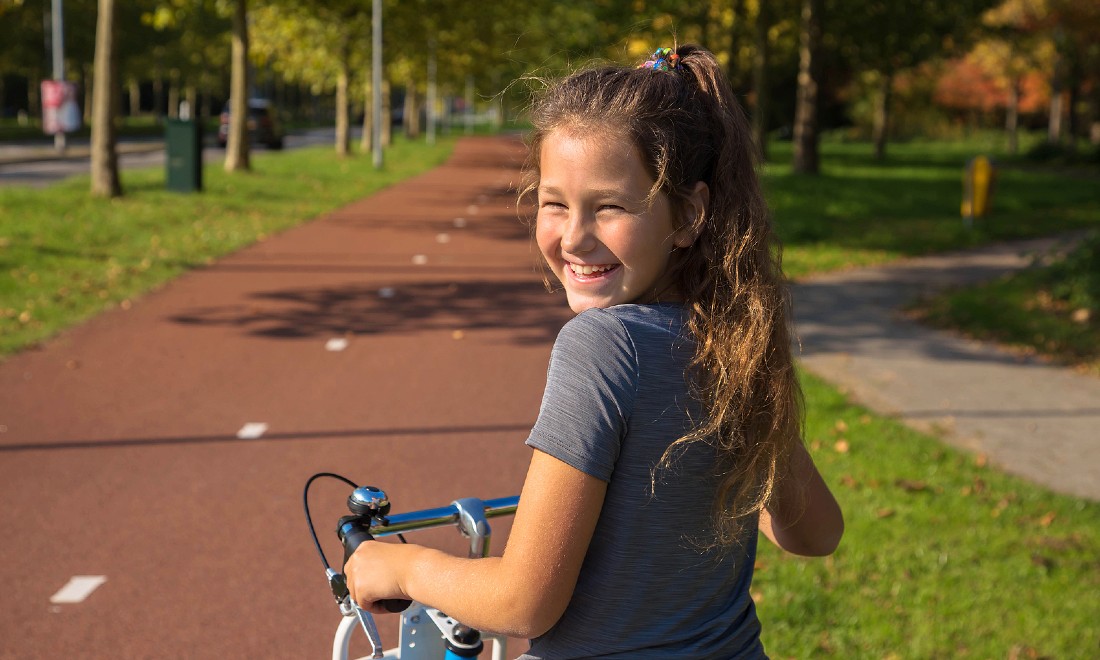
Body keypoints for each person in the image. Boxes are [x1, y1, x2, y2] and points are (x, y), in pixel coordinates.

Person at [344, 44, 844, 658]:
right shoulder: (730, 337)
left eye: (609, 206)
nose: (574, 237)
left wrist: (404, 569)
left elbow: (524, 600)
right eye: (555, 203)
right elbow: (815, 532)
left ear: (689, 214)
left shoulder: (604, 344)